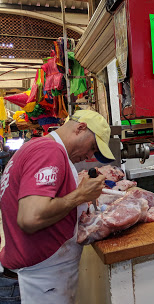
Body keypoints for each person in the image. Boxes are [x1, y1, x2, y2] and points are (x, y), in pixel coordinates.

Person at [0, 109, 114, 304]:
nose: (89, 156)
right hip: (34, 284)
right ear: (80, 128)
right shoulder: (49, 151)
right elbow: (30, 217)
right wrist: (80, 195)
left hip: (39, 278)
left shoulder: (39, 147)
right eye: (92, 147)